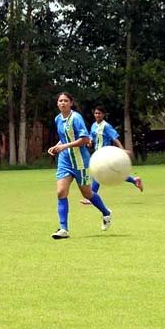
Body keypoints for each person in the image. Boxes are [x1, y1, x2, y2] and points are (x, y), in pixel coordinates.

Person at [47, 92, 112, 239]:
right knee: (60, 192)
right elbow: (64, 138)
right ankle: (64, 229)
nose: (62, 103)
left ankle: (106, 213)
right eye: (60, 101)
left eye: (65, 101)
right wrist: (56, 146)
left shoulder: (76, 118)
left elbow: (84, 139)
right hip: (65, 161)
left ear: (71, 103)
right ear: (57, 103)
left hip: (80, 161)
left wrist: (64, 146)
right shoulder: (58, 119)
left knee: (87, 194)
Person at [80, 105, 143, 205]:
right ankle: (134, 180)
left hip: (106, 154)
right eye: (96, 113)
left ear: (103, 115)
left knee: (97, 174)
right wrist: (90, 141)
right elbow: (91, 136)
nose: (97, 115)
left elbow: (114, 138)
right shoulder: (93, 125)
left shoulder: (106, 126)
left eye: (99, 113)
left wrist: (122, 150)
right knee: (110, 173)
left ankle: (91, 197)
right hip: (98, 153)